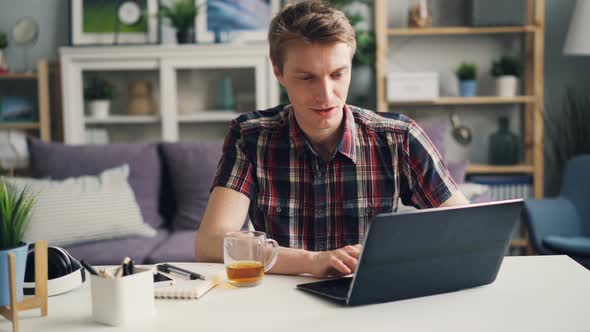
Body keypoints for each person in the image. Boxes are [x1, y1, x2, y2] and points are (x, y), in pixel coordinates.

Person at [196, 0, 469, 278]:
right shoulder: (251, 137)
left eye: (338, 74)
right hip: (283, 305)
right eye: (306, 78)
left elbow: (468, 228)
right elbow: (210, 243)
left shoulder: (400, 137)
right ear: (279, 73)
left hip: (368, 302)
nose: (326, 95)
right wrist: (312, 261)